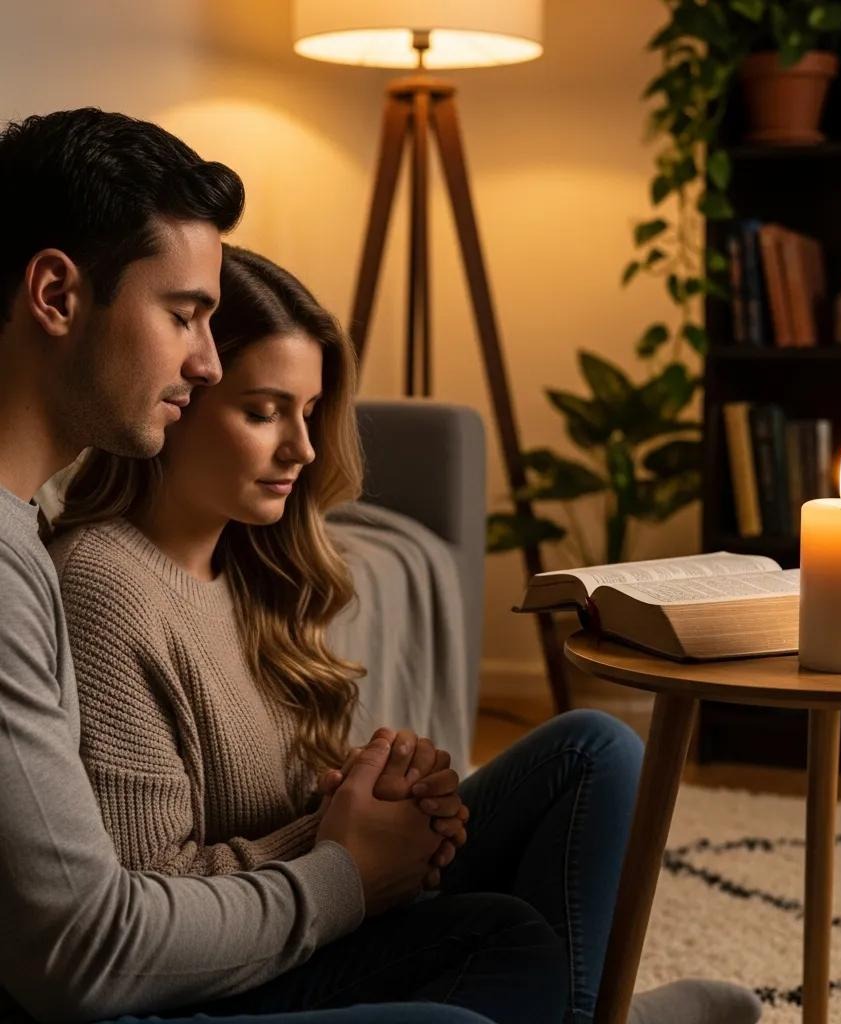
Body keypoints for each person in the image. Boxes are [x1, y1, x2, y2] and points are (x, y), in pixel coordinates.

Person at [48, 243, 763, 1024]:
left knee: (594, 752)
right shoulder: (104, 589)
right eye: (263, 412)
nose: (303, 449)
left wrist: (387, 795)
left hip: (316, 915)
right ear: (178, 404)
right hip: (214, 977)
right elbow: (144, 905)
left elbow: (286, 810)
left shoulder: (253, 563)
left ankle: (587, 1012)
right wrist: (344, 850)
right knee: (507, 955)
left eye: (311, 412)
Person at [0, 105, 512, 1024]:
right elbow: (84, 948)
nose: (204, 364)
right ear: (56, 295)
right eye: (185, 316)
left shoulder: (22, 537)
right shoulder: (46, 575)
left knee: (577, 774)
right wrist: (346, 868)